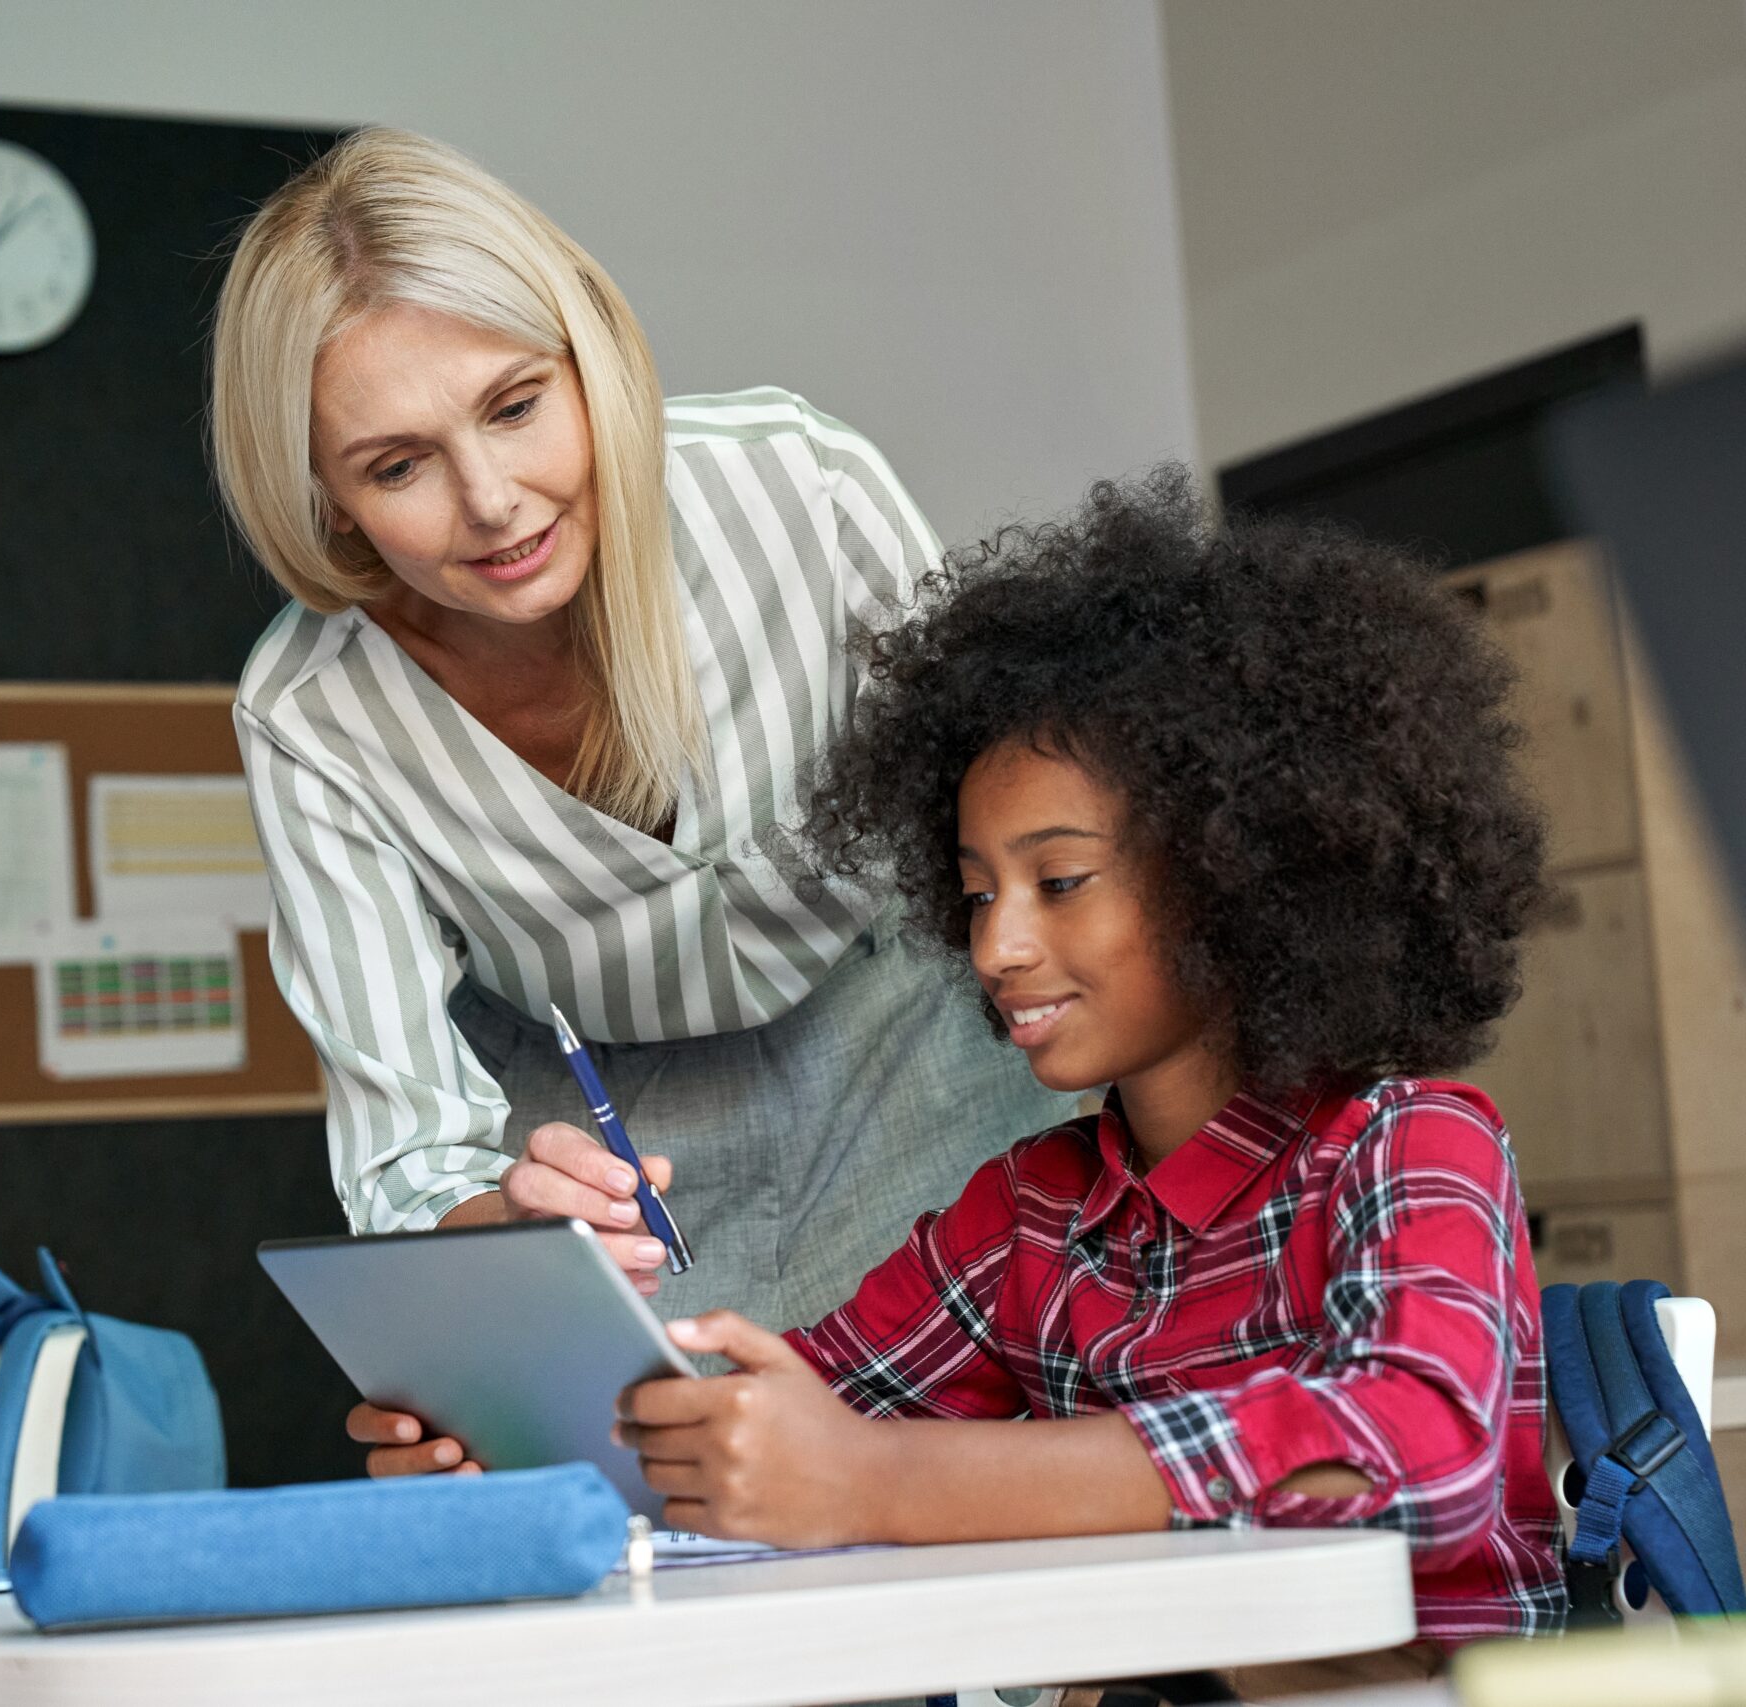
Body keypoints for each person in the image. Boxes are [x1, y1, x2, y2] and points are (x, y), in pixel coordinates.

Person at [210, 127, 1072, 1472]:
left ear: (588, 358)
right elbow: (408, 1152)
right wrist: (500, 1240)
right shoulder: (312, 711)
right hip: (608, 1145)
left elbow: (1020, 816)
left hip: (922, 1045)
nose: (492, 503)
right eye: (397, 465)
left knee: (992, 1499)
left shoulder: (802, 486)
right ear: (324, 498)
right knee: (666, 1553)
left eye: (513, 406)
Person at [616, 472, 1568, 1679]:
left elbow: (1414, 1453)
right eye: (973, 896)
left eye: (1057, 882)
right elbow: (783, 1425)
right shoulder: (1029, 1214)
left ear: (1241, 873)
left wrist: (890, 1482)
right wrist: (520, 1417)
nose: (995, 945)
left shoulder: (1411, 1144)